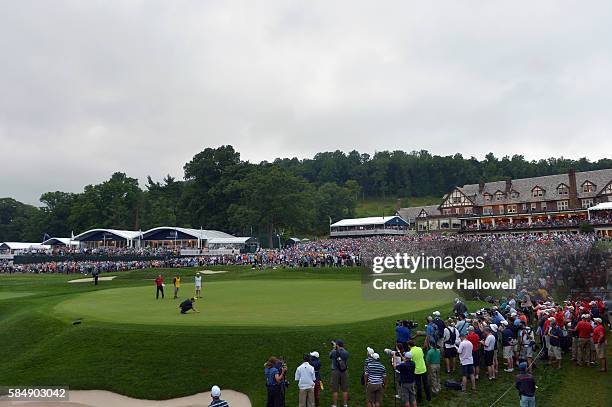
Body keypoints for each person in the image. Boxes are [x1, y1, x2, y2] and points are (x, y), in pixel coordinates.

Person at [329, 340, 349, 407]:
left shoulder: (334, 352)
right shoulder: (346, 352)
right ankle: (345, 404)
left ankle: (334, 405)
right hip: (344, 371)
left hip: (335, 371)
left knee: (335, 390)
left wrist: (334, 348)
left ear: (337, 345)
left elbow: (330, 356)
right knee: (345, 389)